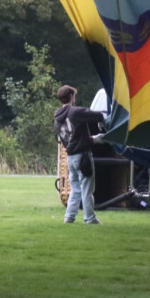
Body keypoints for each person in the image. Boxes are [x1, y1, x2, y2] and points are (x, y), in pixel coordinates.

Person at [55, 84, 105, 225]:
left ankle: (69, 217)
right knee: (87, 189)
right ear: (71, 96)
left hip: (70, 157)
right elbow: (98, 115)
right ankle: (90, 218)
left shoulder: (57, 117)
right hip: (83, 157)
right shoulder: (76, 112)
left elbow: (70, 137)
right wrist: (98, 137)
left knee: (75, 189)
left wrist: (92, 139)